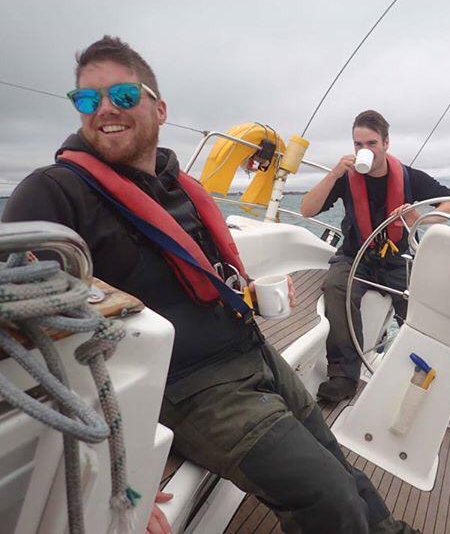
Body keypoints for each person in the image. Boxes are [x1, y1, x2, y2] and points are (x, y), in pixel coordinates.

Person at [3, 36, 416, 534]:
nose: (105, 109)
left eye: (124, 96)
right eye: (88, 100)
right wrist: (115, 463)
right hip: (192, 388)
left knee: (341, 466)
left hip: (251, 350)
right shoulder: (53, 193)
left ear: (159, 110)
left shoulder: (179, 186)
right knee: (328, 501)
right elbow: (23, 327)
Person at [300, 110, 450, 401]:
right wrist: (334, 173)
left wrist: (419, 219)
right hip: (355, 255)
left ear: (386, 143)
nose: (364, 151)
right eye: (358, 145)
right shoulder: (346, 178)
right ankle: (343, 376)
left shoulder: (410, 177)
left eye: (371, 143)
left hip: (398, 259)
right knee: (337, 287)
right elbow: (307, 210)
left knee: (422, 303)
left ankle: (433, 378)